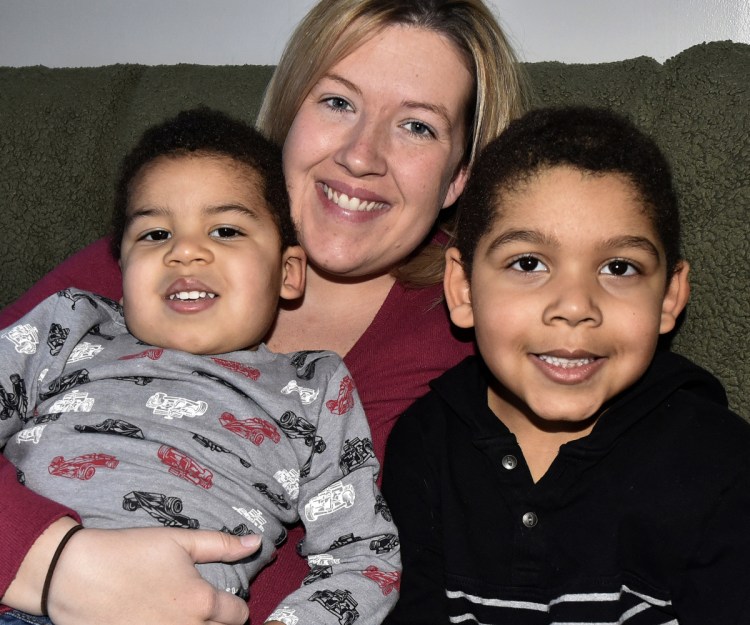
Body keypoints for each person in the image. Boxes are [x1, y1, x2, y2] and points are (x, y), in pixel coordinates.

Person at [0, 1, 527, 623]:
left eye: (418, 126)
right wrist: (49, 562)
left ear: (459, 175)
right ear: (288, 114)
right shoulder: (141, 262)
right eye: (337, 102)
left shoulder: (475, 329)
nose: (361, 155)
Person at [0, 107, 401, 625]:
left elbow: (363, 555)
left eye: (227, 230)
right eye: (155, 235)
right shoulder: (72, 324)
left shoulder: (316, 388)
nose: (186, 251)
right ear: (120, 268)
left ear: (288, 272)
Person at [381, 106, 750, 624]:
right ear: (463, 289)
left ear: (669, 297)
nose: (575, 305)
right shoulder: (423, 447)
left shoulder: (724, 465)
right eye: (528, 263)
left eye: (618, 268)